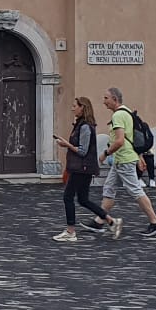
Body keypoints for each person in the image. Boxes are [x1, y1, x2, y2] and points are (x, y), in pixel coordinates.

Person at [99, 87, 156, 239]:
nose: (104, 102)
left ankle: (155, 222)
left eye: (106, 98)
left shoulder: (118, 116)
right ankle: (99, 220)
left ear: (115, 99)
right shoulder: (127, 112)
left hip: (124, 159)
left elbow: (120, 140)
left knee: (136, 190)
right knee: (109, 187)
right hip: (122, 159)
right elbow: (131, 138)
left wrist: (105, 153)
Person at [51, 96, 110, 243]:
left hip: (81, 168)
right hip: (84, 168)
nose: (72, 108)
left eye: (74, 106)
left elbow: (82, 151)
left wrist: (66, 144)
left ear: (82, 108)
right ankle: (110, 220)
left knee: (68, 197)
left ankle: (71, 231)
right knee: (83, 199)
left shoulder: (84, 127)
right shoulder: (82, 125)